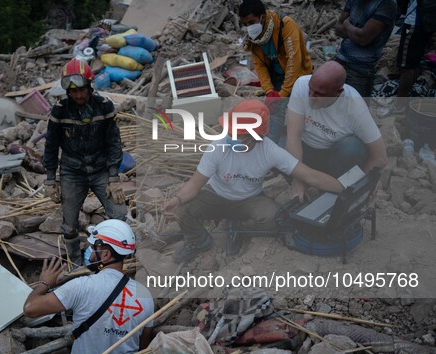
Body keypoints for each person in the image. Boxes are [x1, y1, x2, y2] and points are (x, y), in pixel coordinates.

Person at [163, 100, 344, 263]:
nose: (232, 138)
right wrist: (177, 200)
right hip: (216, 195)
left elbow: (310, 175)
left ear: (257, 137)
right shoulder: (218, 146)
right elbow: (195, 184)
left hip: (249, 200)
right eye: (231, 132)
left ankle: (239, 228)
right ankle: (198, 240)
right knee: (182, 210)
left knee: (275, 220)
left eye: (239, 135)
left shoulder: (269, 151)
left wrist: (345, 188)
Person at [23, 219, 154, 354]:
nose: (90, 252)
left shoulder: (81, 286)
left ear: (105, 255)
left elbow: (31, 308)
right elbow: (143, 345)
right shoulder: (145, 294)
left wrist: (45, 282)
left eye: (93, 248)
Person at [43, 58, 127, 265]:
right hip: (73, 172)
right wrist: (50, 180)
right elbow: (51, 146)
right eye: (73, 91)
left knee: (119, 214)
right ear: (67, 92)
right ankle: (76, 262)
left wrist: (114, 177)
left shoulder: (104, 107)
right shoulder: (60, 111)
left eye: (82, 89)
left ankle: (114, 255)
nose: (79, 95)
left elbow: (114, 143)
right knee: (69, 224)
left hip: (100, 169)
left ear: (89, 86)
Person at [285, 61, 388, 200]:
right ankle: (311, 180)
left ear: (338, 93)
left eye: (319, 94)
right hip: (305, 152)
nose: (311, 96)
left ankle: (333, 190)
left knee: (352, 147)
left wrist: (352, 184)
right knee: (273, 146)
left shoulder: (354, 106)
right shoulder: (302, 85)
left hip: (335, 158)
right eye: (311, 89)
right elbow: (293, 136)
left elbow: (380, 158)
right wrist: (297, 181)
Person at [238, 0, 313, 144]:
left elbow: (294, 60)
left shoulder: (285, 25)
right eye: (245, 24)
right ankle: (272, 145)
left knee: (300, 112)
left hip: (298, 76)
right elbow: (260, 65)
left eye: (251, 22)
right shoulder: (254, 38)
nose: (249, 27)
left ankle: (300, 143)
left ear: (262, 17)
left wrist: (283, 93)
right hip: (276, 77)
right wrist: (269, 91)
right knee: (276, 112)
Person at [334, 0, 398, 97]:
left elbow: (363, 39)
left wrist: (347, 24)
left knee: (356, 108)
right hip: (341, 59)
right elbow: (338, 29)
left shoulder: (386, 3)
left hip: (361, 68)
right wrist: (356, 32)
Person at [393, 0, 435, 113]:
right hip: (425, 21)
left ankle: (399, 105)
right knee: (414, 62)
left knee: (407, 65)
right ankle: (406, 100)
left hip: (415, 21)